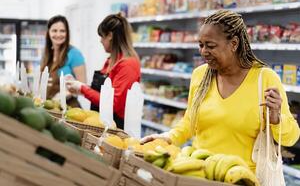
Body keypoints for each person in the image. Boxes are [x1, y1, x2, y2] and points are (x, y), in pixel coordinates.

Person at [141, 10, 300, 171]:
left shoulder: (265, 78)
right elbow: (189, 123)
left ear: (234, 44)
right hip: (200, 173)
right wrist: (166, 138)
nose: (203, 52)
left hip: (243, 177)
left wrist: (276, 119)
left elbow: (291, 138)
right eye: (201, 45)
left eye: (210, 46)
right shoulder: (200, 75)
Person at [66, 13, 141, 130]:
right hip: (100, 123)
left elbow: (113, 104)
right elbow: (102, 92)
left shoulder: (128, 64)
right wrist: (78, 87)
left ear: (110, 35)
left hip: (115, 128)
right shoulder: (111, 60)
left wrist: (82, 88)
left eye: (102, 36)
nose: (100, 41)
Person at [40, 15, 86, 108]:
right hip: (49, 108)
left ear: (67, 33)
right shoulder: (47, 54)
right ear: (48, 32)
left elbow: (83, 86)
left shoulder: (74, 54)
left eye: (62, 31)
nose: (58, 34)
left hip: (68, 109)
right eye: (54, 30)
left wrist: (62, 96)